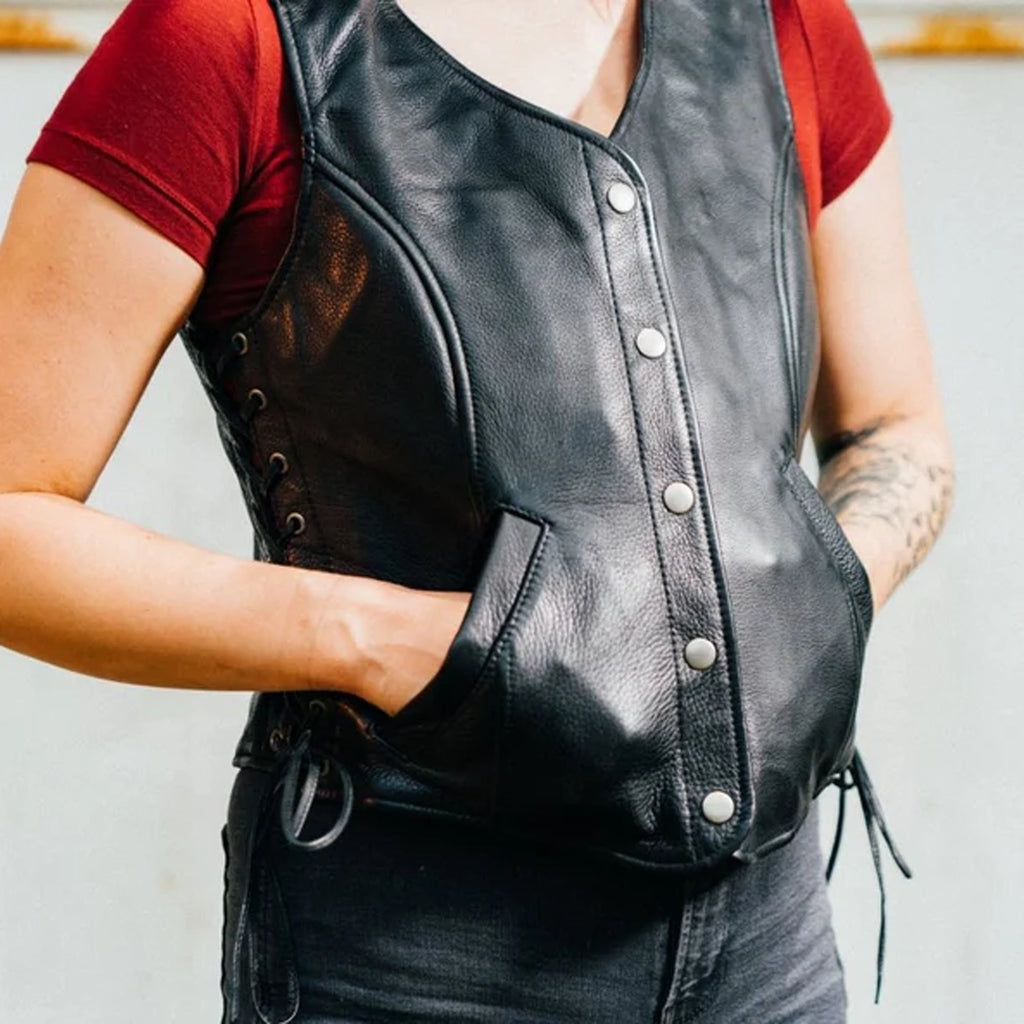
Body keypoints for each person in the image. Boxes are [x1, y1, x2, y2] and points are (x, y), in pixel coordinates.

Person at [0, 0, 955, 1020]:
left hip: (767, 938)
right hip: (417, 940)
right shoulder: (225, 35)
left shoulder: (784, 22)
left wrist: (802, 609)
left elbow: (895, 428)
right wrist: (387, 642)